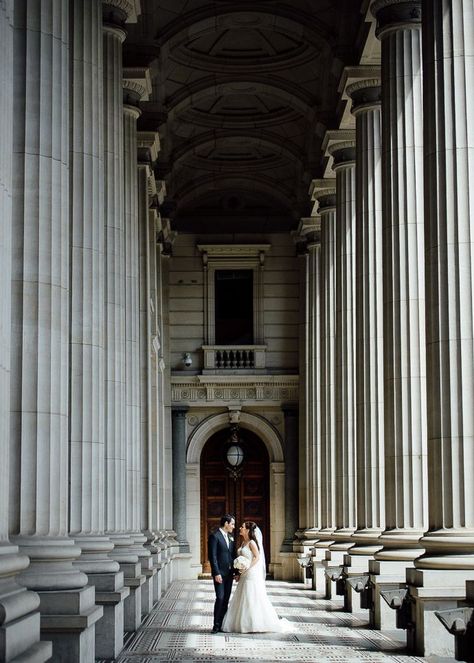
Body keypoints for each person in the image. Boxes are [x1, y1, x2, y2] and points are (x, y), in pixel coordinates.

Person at [221, 521, 291, 633]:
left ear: (248, 530)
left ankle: (255, 623)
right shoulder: (243, 542)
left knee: (251, 596)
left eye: (242, 527)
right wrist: (239, 572)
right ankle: (243, 623)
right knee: (243, 596)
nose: (240, 528)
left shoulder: (252, 542)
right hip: (244, 573)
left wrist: (247, 567)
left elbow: (257, 557)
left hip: (251, 573)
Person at [208, 514, 237, 633]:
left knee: (226, 599)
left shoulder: (230, 537)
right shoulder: (215, 536)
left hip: (229, 574)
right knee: (219, 598)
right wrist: (216, 573)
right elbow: (212, 556)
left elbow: (232, 555)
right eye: (232, 524)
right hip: (220, 574)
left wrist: (236, 571)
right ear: (226, 523)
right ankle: (216, 625)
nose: (233, 527)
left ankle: (222, 624)